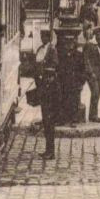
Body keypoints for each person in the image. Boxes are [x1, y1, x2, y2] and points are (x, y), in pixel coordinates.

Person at [33, 30, 59, 160]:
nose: (42, 38)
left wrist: (46, 75)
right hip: (42, 88)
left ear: (48, 37)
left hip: (50, 89)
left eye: (44, 36)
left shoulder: (52, 50)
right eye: (41, 36)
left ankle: (51, 150)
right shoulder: (40, 49)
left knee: (49, 120)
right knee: (45, 120)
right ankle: (48, 149)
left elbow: (54, 65)